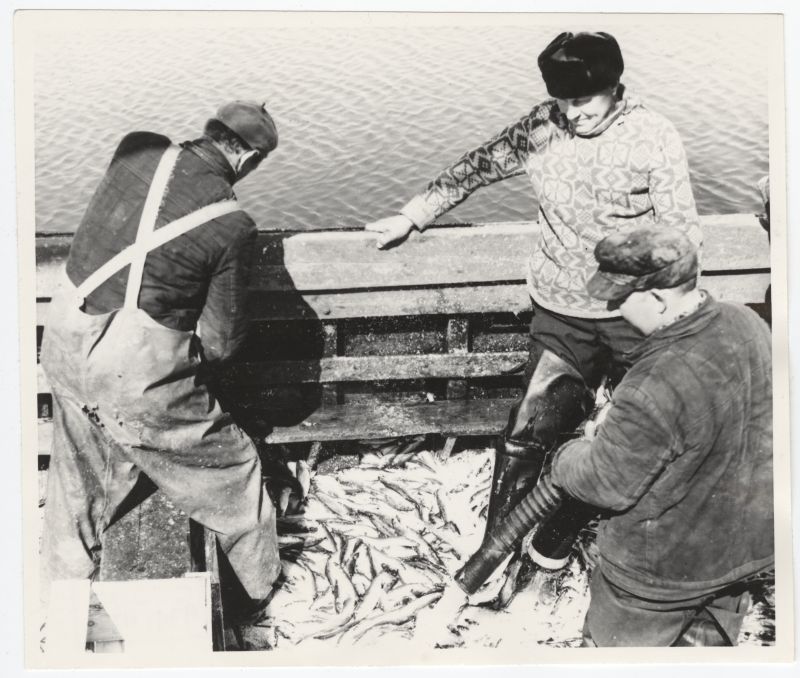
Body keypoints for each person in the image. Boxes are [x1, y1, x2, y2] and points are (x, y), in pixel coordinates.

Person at [365, 31, 702, 599]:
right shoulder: (540, 126)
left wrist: (678, 313)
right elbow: (473, 169)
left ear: (615, 87)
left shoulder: (654, 136)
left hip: (634, 317)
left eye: (586, 101)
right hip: (560, 313)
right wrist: (412, 214)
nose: (575, 114)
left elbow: (682, 234)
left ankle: (560, 541)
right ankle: (493, 550)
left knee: (640, 439)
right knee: (526, 433)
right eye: (565, 102)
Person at [453, 227, 774, 646]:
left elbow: (606, 485)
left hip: (656, 582)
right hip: (743, 554)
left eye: (621, 299)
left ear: (658, 298)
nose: (613, 309)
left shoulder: (652, 385)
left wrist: (571, 453)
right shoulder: (747, 322)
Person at [39, 100, 291, 629]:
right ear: (246, 161)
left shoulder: (136, 147)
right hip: (134, 380)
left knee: (76, 474)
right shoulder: (232, 225)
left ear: (208, 130)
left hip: (64, 341)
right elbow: (221, 343)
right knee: (235, 468)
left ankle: (63, 595)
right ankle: (260, 595)